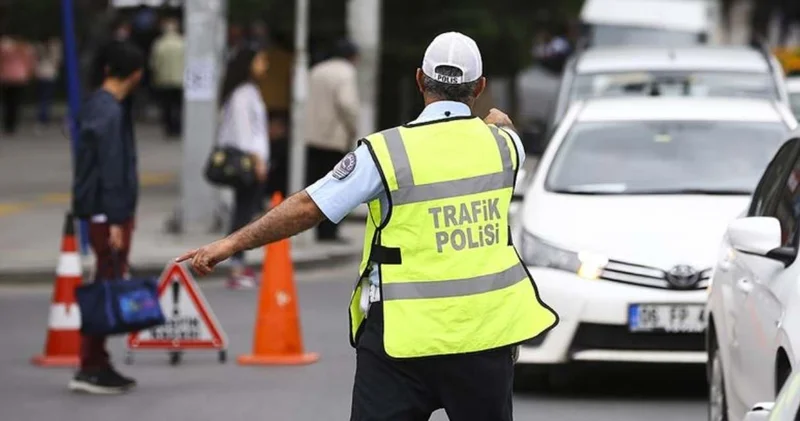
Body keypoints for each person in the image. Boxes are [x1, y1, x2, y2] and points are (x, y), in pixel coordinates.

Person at [177, 31, 559, 421]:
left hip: (401, 341)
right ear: (479, 87)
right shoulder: (505, 147)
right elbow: (505, 126)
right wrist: (498, 121)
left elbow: (309, 206)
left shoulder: (385, 153)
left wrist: (231, 243)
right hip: (484, 338)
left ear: (418, 80)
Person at [69, 41, 145, 394]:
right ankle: (91, 365)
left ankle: (96, 361)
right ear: (135, 74)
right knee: (105, 286)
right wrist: (117, 220)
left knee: (106, 281)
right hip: (107, 214)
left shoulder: (98, 105)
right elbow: (112, 170)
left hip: (101, 211)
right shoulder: (110, 112)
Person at [214, 45, 271, 289]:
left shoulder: (249, 91)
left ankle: (238, 262)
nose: (264, 65)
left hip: (253, 160)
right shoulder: (242, 94)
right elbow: (244, 132)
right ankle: (235, 265)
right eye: (260, 60)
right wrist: (257, 160)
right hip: (248, 162)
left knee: (245, 211)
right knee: (243, 214)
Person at [303, 38, 360, 243]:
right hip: (334, 138)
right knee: (336, 187)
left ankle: (316, 229)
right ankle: (329, 232)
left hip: (311, 136)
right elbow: (347, 104)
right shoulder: (346, 72)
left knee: (315, 186)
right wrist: (353, 128)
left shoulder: (316, 70)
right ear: (353, 57)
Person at [150, 18, 185, 137]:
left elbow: (154, 63)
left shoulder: (159, 44)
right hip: (180, 80)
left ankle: (169, 127)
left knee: (167, 106)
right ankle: (178, 127)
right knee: (179, 105)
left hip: (164, 80)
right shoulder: (183, 43)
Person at [0, 34, 36, 135]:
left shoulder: (5, 48)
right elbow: (29, 63)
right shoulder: (26, 49)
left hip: (6, 77)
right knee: (15, 103)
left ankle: (8, 124)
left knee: (7, 102)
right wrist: (29, 74)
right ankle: (12, 125)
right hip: (19, 77)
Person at [34, 36, 62, 131]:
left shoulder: (39, 48)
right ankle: (44, 117)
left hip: (42, 74)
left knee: (42, 98)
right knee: (47, 98)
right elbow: (57, 62)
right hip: (50, 74)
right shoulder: (53, 48)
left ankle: (42, 117)